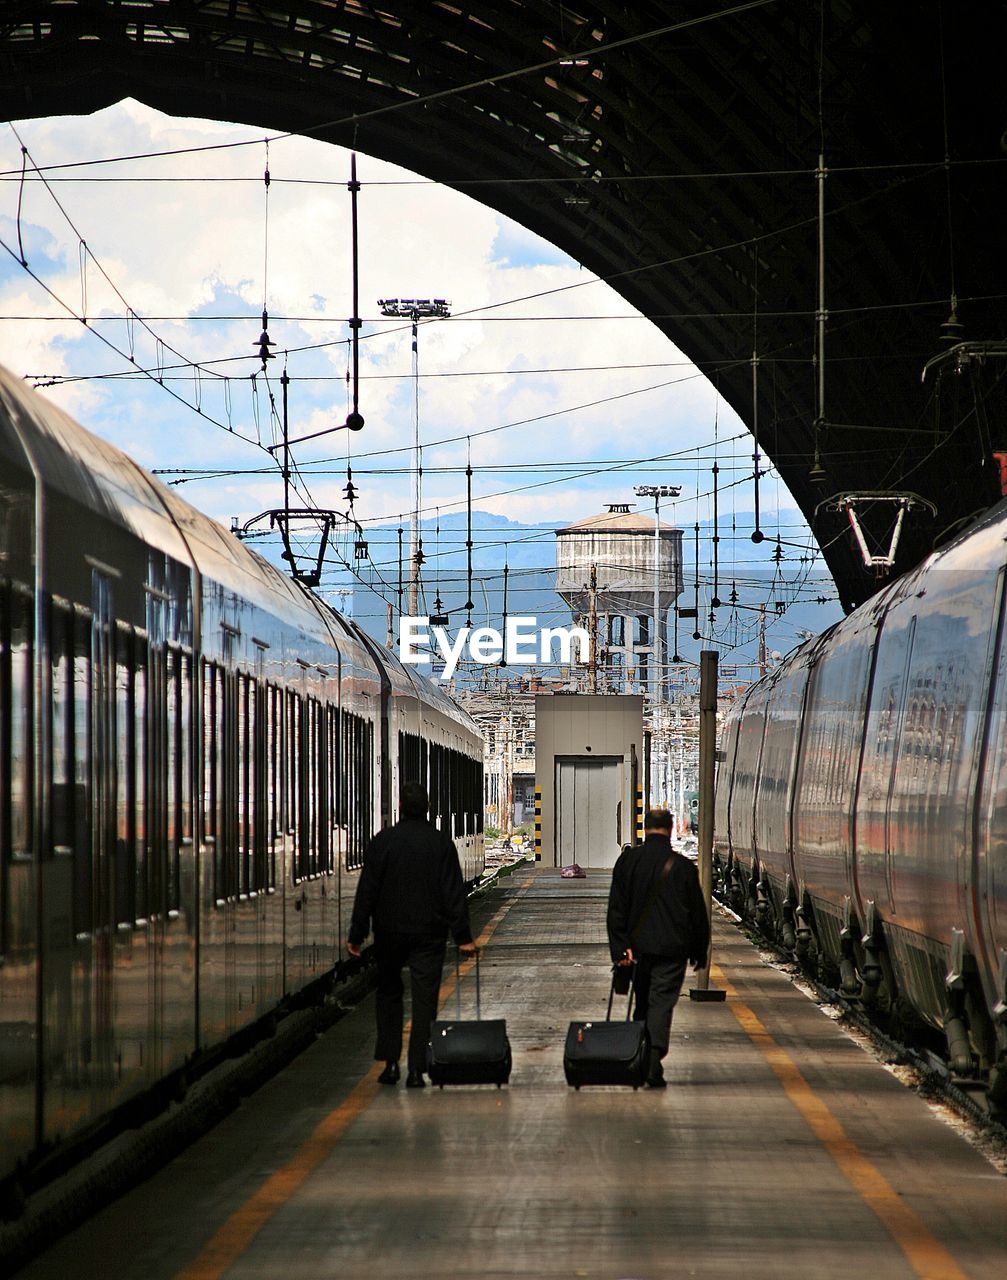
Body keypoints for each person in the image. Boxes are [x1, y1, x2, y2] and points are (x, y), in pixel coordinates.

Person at [347, 781, 476, 1088]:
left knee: (389, 995)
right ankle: (417, 1070)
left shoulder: (383, 842)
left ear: (400, 808)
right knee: (424, 1000)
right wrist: (463, 937)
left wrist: (357, 933)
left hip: (389, 934)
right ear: (427, 808)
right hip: (429, 936)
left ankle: (391, 1065)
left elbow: (367, 891)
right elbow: (453, 894)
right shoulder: (441, 843)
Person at [606, 808, 711, 1088]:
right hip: (671, 951)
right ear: (670, 828)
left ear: (645, 828)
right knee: (661, 1004)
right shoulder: (683, 867)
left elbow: (616, 911)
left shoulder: (627, 862)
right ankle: (652, 1063)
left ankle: (639, 1057)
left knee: (642, 1003)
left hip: (637, 951)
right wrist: (700, 952)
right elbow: (698, 916)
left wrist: (620, 949)